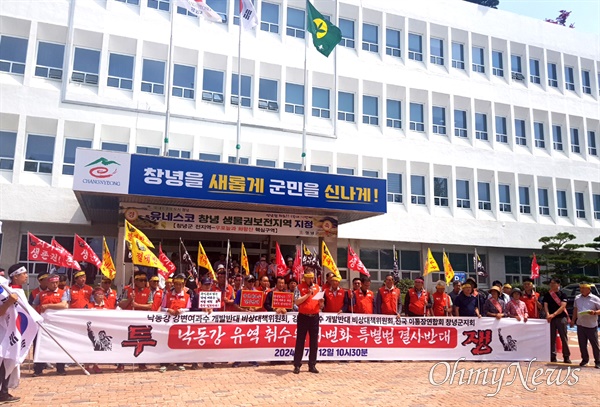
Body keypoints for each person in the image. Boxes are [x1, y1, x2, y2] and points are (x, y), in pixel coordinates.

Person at [32, 274, 68, 377]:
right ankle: (38, 369)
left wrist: (48, 306)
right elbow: (34, 306)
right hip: (43, 325)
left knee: (60, 345)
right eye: (52, 283)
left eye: (56, 282)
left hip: (58, 324)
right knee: (40, 345)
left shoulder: (62, 293)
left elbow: (64, 305)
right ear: (47, 283)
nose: (55, 285)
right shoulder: (41, 294)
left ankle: (60, 368)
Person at [293, 267, 323, 374]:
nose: (311, 280)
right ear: (305, 278)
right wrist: (308, 294)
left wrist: (321, 303)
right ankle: (297, 365)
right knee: (300, 340)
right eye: (308, 278)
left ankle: (312, 364)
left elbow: (321, 305)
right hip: (303, 316)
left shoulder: (318, 288)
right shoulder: (299, 287)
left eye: (312, 278)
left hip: (314, 316)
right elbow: (296, 301)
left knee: (314, 342)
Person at [159, 274, 191, 373]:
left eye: (180, 284)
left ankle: (180, 363)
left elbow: (189, 308)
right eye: (176, 284)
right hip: (168, 324)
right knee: (166, 343)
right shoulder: (168, 294)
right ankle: (164, 364)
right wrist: (168, 309)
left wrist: (181, 310)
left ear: (183, 285)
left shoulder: (187, 296)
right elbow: (162, 307)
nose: (178, 286)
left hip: (180, 324)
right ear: (174, 284)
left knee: (179, 343)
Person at [570, 282, 600, 368]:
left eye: (583, 288)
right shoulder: (577, 298)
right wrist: (573, 320)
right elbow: (575, 310)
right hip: (580, 324)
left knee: (594, 344)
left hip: (591, 325)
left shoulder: (595, 298)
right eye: (581, 288)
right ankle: (584, 359)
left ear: (589, 289)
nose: (581, 290)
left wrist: (594, 312)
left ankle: (598, 361)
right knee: (582, 344)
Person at [0, 277, 20, 404]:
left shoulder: (5, 288)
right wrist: (8, 303)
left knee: (6, 361)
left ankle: (3, 392)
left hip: (6, 332)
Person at [543, 278, 571, 363]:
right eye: (550, 283)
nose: (551, 285)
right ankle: (552, 355)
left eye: (553, 283)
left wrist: (553, 314)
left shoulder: (563, 295)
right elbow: (545, 305)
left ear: (558, 284)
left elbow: (562, 307)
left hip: (561, 318)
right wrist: (547, 314)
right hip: (550, 319)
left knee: (563, 337)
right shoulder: (547, 294)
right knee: (552, 338)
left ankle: (566, 356)